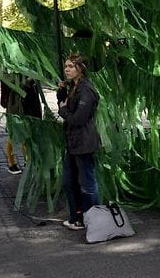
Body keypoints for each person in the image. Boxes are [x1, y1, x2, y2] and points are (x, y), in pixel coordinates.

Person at [57, 53, 101, 230]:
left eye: (70, 66)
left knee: (87, 183)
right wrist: (61, 94)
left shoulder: (86, 90)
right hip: (73, 142)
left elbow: (78, 119)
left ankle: (94, 218)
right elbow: (66, 105)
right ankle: (77, 216)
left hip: (84, 142)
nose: (66, 69)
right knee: (69, 181)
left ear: (80, 69)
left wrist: (63, 110)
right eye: (66, 66)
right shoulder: (74, 88)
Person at [0, 74, 44, 175]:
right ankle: (12, 164)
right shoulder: (9, 69)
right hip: (17, 104)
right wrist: (27, 81)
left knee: (28, 133)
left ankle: (28, 161)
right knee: (15, 133)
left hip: (30, 102)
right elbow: (8, 82)